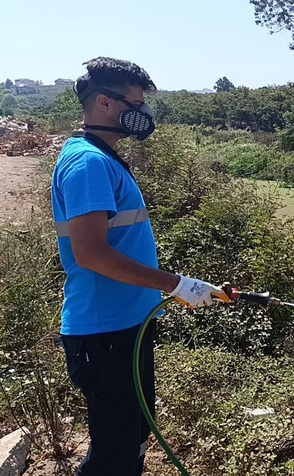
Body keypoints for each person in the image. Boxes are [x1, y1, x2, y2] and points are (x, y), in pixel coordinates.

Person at [51, 57, 228, 475]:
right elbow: (91, 254)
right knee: (113, 454)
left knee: (131, 439)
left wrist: (179, 286)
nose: (143, 113)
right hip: (104, 333)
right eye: (135, 102)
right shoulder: (89, 163)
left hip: (125, 327)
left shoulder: (103, 158)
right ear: (104, 104)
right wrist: (175, 284)